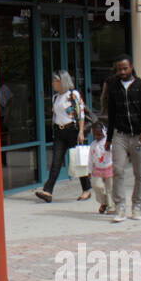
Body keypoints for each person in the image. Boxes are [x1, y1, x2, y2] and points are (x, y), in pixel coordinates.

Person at [103, 54, 141, 222]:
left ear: (131, 67)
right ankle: (120, 206)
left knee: (140, 172)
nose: (122, 72)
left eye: (125, 68)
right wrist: (109, 139)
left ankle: (137, 205)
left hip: (138, 136)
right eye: (119, 69)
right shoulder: (113, 87)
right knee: (117, 170)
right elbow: (111, 114)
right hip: (120, 135)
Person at [35, 70, 91, 203]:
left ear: (63, 82)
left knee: (78, 160)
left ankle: (86, 189)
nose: (54, 83)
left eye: (56, 81)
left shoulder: (73, 95)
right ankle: (48, 191)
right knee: (56, 161)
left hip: (72, 130)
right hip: (59, 132)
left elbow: (81, 113)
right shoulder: (56, 97)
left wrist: (81, 131)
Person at [88, 120, 115, 216]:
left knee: (110, 189)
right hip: (98, 169)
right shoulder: (93, 145)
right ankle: (104, 202)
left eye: (99, 134)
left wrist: (110, 147)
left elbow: (115, 153)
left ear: (104, 132)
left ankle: (111, 207)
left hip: (109, 167)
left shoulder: (108, 142)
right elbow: (90, 158)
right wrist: (89, 170)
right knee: (96, 185)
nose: (97, 137)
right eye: (95, 135)